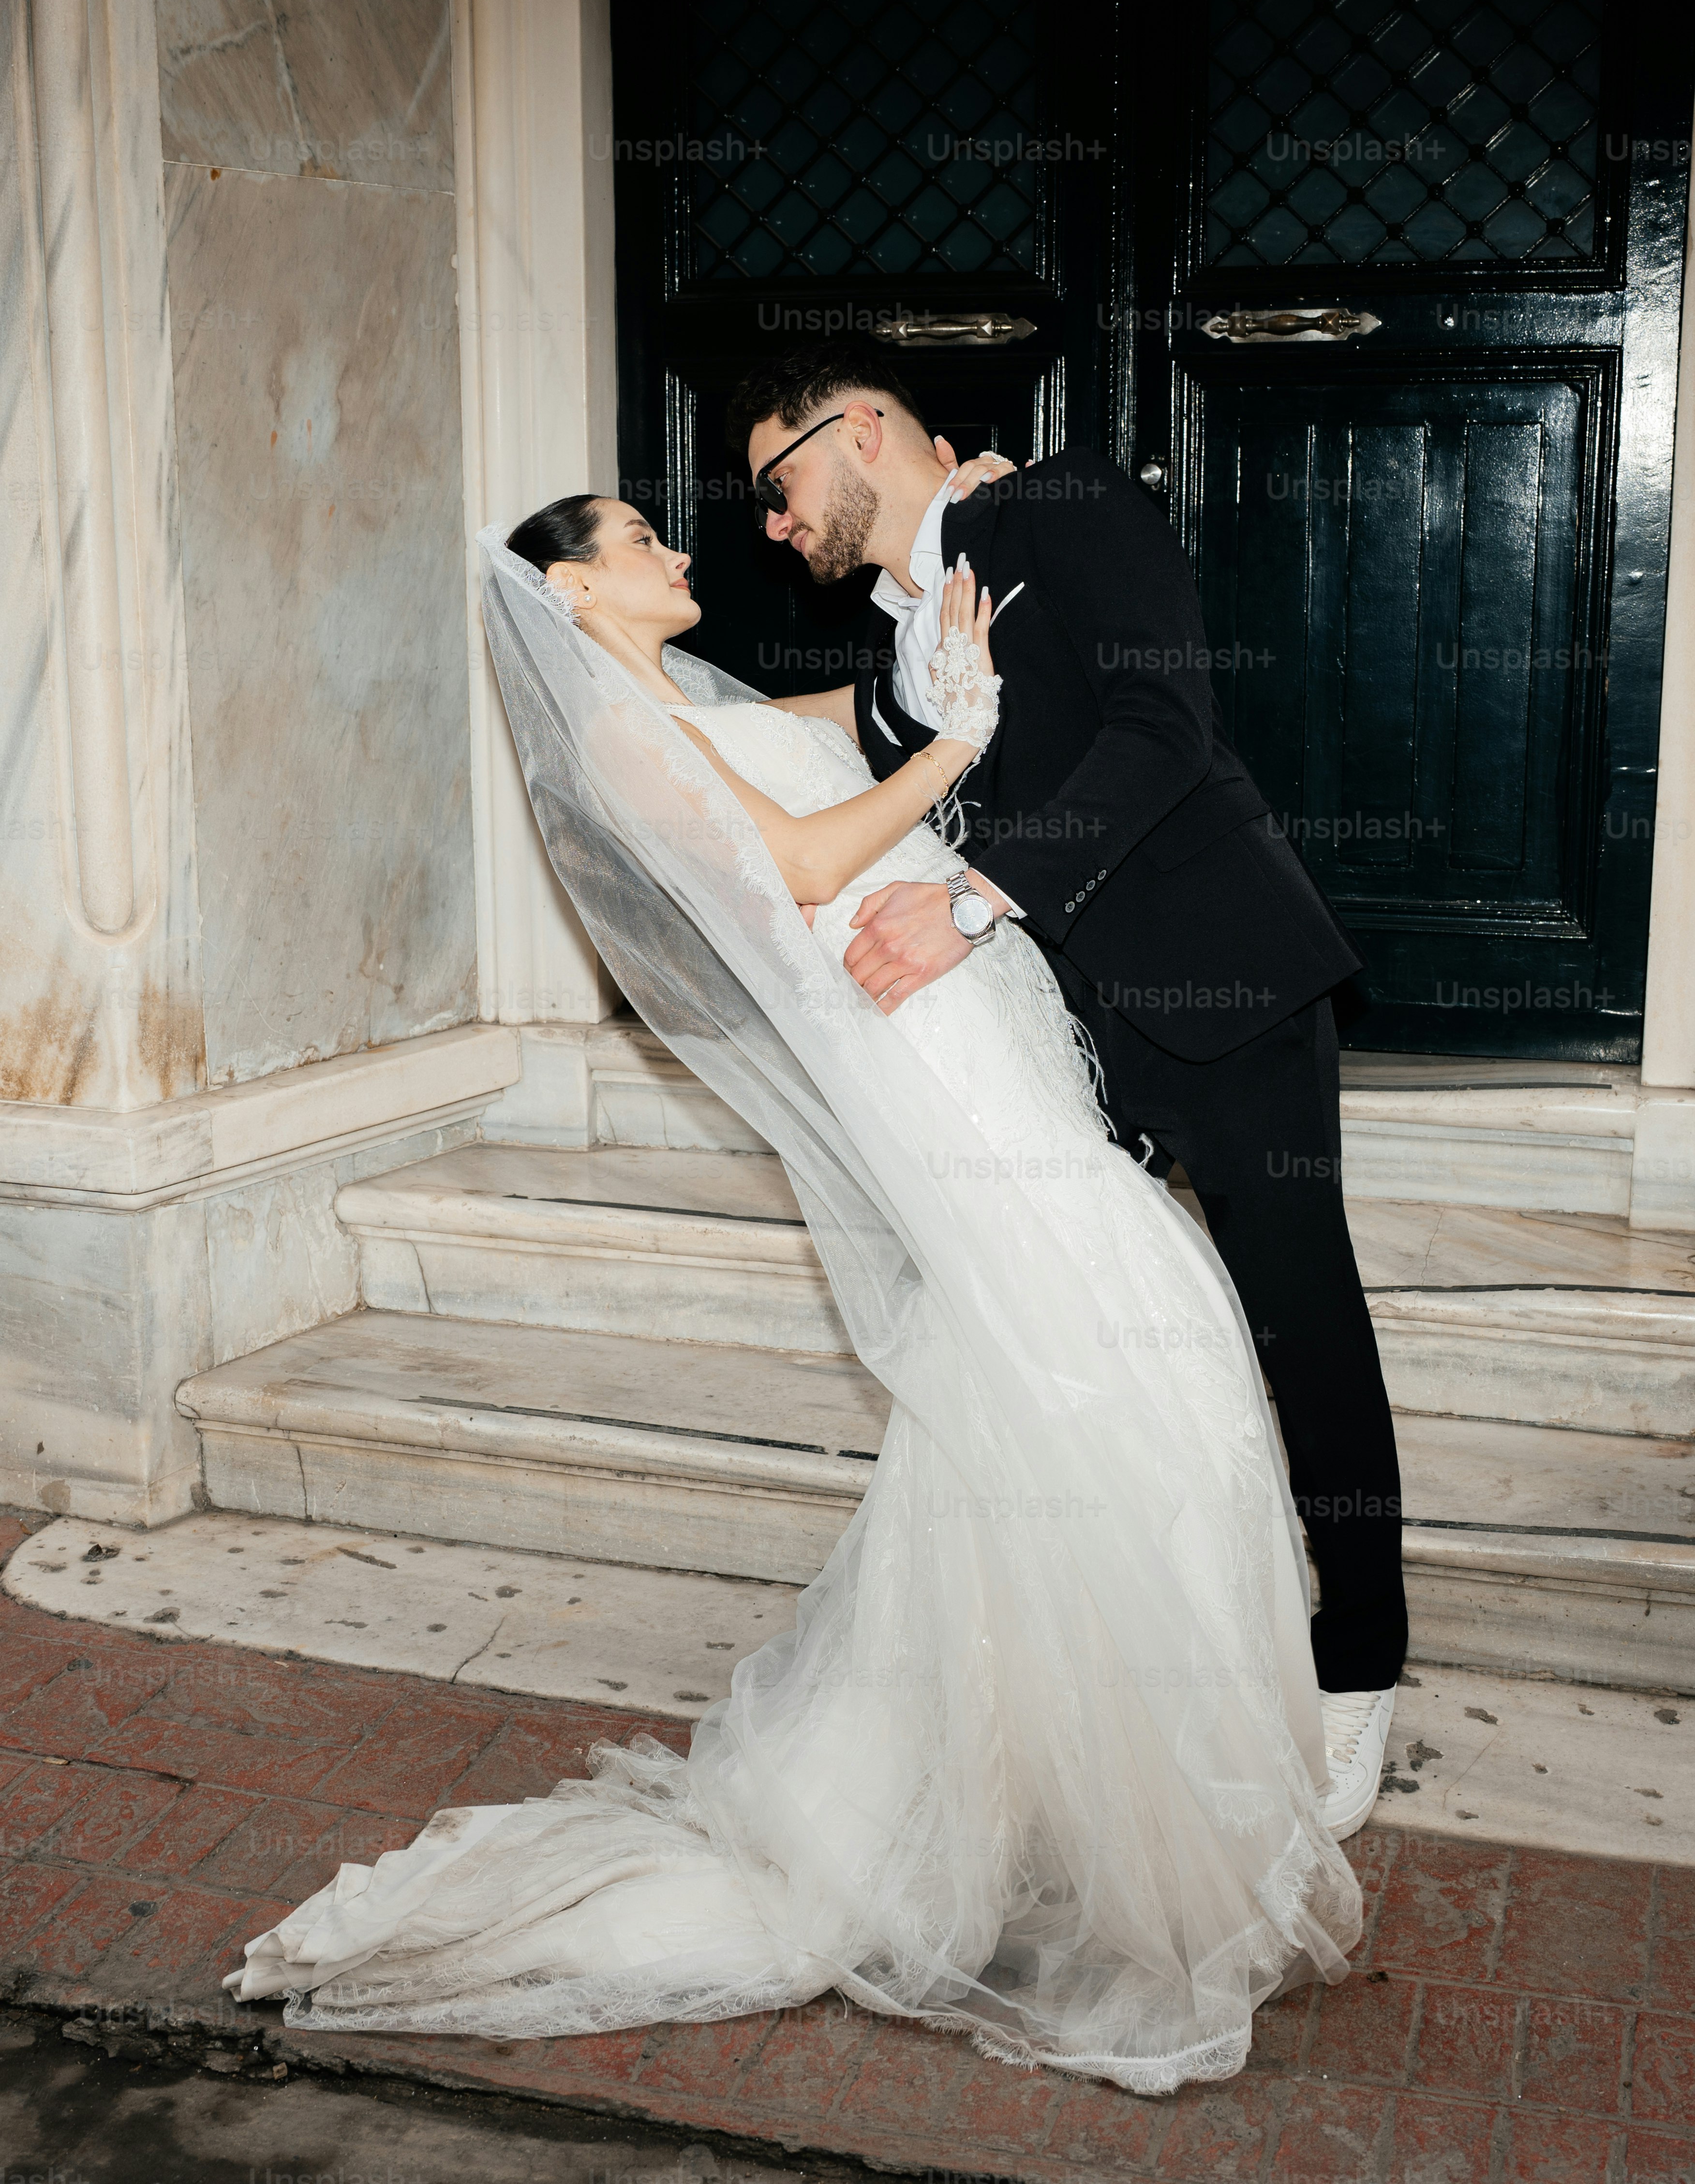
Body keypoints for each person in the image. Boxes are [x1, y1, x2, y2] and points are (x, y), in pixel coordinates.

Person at [223, 485, 1362, 2095]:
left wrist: (948, 697)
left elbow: (880, 751)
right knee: (1121, 1355)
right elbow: (806, 858)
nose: (681, 555)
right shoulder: (626, 742)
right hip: (916, 1063)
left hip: (969, 1037)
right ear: (570, 596)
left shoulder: (697, 699)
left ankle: (1047, 1785)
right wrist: (954, 750)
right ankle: (1125, 1800)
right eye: (635, 542)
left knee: (1064, 1378)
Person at [729, 347, 1408, 1834]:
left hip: (1221, 984)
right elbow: (845, 739)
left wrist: (974, 904)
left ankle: (1358, 1669)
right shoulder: (907, 646)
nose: (773, 529)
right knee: (1098, 1335)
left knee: (1304, 1322)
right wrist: (632, 704)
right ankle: (1151, 1658)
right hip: (1067, 1038)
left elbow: (1163, 729)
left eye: (780, 488)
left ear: (862, 433)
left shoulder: (1067, 506)